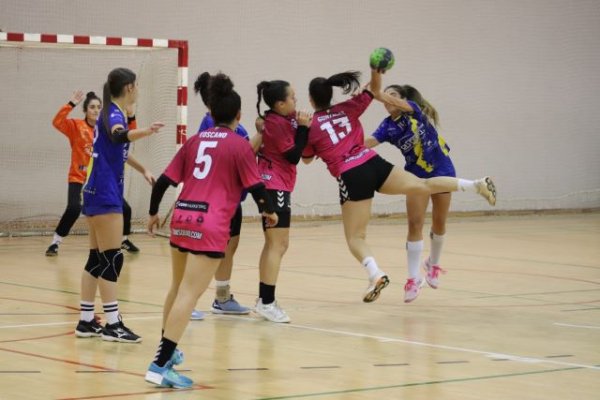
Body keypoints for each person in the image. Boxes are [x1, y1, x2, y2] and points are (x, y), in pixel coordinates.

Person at [302, 66, 496, 303]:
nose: (389, 100)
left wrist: (305, 129)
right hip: (374, 163)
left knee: (356, 237)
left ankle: (377, 274)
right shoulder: (352, 110)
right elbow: (373, 101)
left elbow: (306, 158)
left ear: (311, 100)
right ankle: (474, 185)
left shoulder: (412, 111)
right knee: (422, 192)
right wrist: (376, 72)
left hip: (357, 173)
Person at [145, 73, 277, 388]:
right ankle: (160, 364)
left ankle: (167, 350)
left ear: (211, 112)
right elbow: (256, 185)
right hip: (210, 225)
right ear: (238, 116)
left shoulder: (194, 140)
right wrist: (269, 211)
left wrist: (152, 213)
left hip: (182, 219)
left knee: (177, 289)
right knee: (189, 295)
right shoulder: (239, 145)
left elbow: (164, 182)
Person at [74, 68, 163, 342]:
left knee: (96, 258)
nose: (138, 89)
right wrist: (145, 132)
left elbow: (118, 151)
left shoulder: (113, 111)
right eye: (136, 85)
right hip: (104, 192)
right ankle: (113, 324)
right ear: (128, 87)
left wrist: (143, 169)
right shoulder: (113, 113)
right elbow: (118, 135)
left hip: (93, 190)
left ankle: (86, 319)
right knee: (113, 257)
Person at [365, 84, 456, 302]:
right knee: (415, 223)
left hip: (442, 168)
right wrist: (341, 146)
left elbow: (396, 101)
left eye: (392, 95)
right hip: (415, 176)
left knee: (439, 222)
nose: (388, 100)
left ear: (403, 99)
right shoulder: (387, 127)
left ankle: (433, 264)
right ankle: (413, 278)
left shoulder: (412, 109)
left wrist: (378, 93)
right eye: (385, 97)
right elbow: (368, 143)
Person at [187, 72, 263, 320]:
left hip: (233, 199)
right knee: (204, 252)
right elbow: (240, 154)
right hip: (213, 201)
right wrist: (262, 134)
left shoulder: (235, 126)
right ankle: (189, 300)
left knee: (229, 247)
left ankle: (222, 297)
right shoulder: (210, 124)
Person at [45, 91, 140, 257]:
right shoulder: (76, 126)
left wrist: (131, 117)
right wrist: (70, 103)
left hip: (100, 179)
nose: (96, 110)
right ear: (86, 110)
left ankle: (123, 239)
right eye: (92, 107)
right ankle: (55, 241)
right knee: (74, 208)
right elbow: (57, 122)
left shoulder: (107, 130)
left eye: (99, 107)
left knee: (125, 208)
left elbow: (128, 138)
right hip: (79, 177)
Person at [254, 79, 312, 323]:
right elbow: (293, 156)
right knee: (277, 245)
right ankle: (267, 302)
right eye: (292, 98)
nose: (295, 102)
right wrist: (303, 128)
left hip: (276, 184)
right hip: (273, 185)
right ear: (280, 104)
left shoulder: (278, 117)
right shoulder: (276, 123)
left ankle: (262, 299)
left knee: (273, 244)